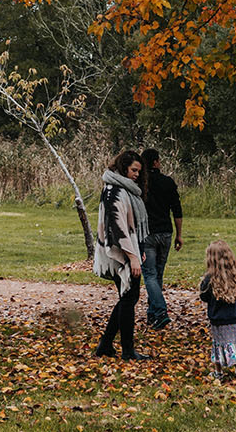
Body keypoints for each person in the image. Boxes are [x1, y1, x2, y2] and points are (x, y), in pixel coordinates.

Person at [94, 150, 150, 360]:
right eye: (133, 170)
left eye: (139, 171)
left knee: (128, 297)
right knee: (128, 297)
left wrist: (138, 251)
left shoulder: (124, 190)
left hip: (128, 250)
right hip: (119, 253)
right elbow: (117, 228)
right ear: (123, 167)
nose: (136, 174)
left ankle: (106, 345)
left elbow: (130, 227)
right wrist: (132, 256)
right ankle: (126, 350)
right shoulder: (113, 191)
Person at [199, 240, 236, 383]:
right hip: (234, 319)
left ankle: (219, 372)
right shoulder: (235, 276)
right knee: (235, 343)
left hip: (218, 320)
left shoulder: (209, 280)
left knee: (219, 344)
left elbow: (203, 296)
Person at [139, 147, 183, 330]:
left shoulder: (140, 185)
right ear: (156, 162)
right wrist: (179, 234)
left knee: (149, 275)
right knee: (158, 274)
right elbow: (177, 210)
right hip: (165, 232)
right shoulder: (167, 182)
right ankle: (152, 314)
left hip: (147, 233)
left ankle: (160, 311)